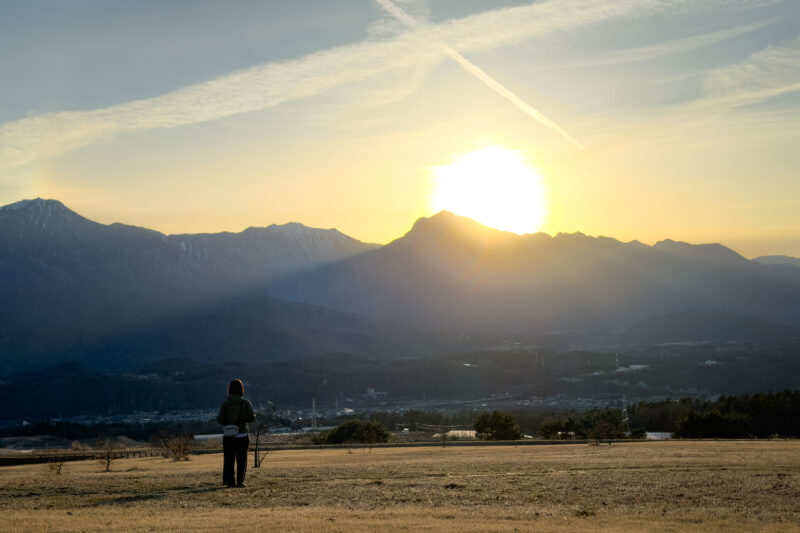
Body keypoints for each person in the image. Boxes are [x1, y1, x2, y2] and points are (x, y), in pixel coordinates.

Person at [216, 379, 256, 487]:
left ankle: (230, 482)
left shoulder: (225, 404)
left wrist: (229, 421)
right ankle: (240, 482)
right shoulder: (245, 403)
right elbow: (252, 418)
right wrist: (243, 419)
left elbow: (220, 419)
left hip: (229, 435)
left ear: (229, 390)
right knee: (242, 460)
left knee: (229, 459)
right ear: (241, 390)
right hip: (242, 435)